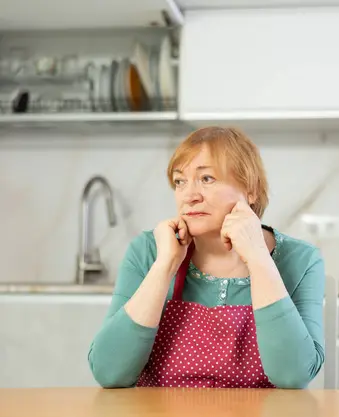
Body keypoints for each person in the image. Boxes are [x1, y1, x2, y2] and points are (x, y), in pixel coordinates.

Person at [88, 126, 325, 389]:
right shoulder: (149, 251)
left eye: (207, 179)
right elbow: (109, 372)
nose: (190, 196)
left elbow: (293, 375)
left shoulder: (301, 260)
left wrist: (258, 259)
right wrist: (165, 265)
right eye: (180, 181)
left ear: (251, 189)